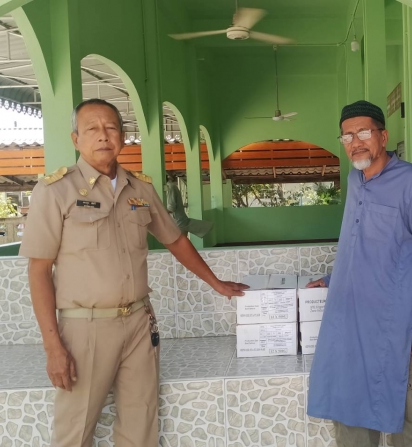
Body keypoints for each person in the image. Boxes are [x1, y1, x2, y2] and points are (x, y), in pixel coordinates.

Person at [19, 98, 247, 446]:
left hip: (140, 323)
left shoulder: (140, 188)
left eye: (111, 127)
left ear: (123, 137)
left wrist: (215, 283)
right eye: (92, 129)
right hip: (86, 328)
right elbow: (38, 271)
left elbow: (175, 240)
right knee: (74, 432)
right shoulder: (56, 191)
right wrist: (53, 347)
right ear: (76, 139)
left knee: (140, 426)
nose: (103, 135)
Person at [306, 100, 412, 447]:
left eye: (364, 133)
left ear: (383, 137)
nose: (355, 142)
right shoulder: (355, 180)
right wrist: (333, 279)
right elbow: (362, 243)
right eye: (347, 136)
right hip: (354, 327)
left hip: (402, 330)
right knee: (352, 412)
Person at [165, 174, 213, 238]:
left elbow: (171, 208)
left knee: (179, 243)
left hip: (178, 223)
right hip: (179, 222)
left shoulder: (170, 187)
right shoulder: (171, 186)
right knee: (181, 243)